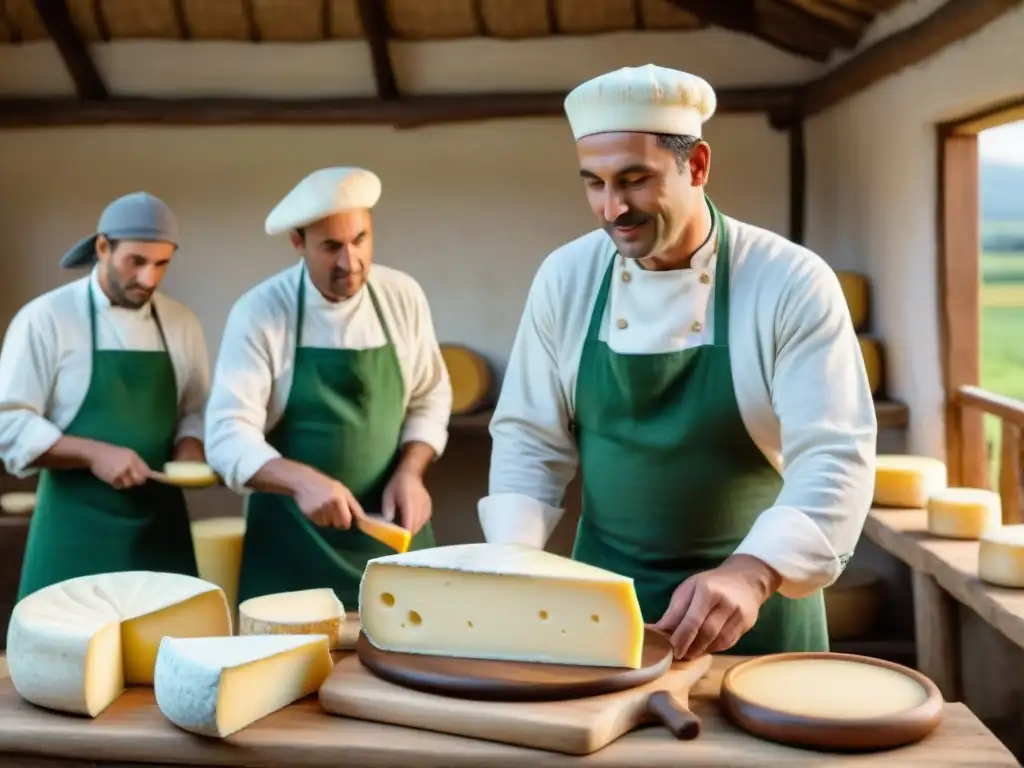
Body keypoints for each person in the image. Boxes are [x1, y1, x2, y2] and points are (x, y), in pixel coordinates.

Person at [479, 65, 877, 659]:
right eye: (594, 183)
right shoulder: (566, 277)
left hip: (750, 617)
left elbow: (834, 453)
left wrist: (754, 572)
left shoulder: (787, 281)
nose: (613, 209)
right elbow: (529, 439)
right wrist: (512, 561)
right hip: (603, 610)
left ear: (696, 166)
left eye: (635, 181)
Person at [205, 166, 452, 608]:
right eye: (331, 247)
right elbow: (225, 435)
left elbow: (429, 397)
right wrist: (299, 481)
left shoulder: (402, 295)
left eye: (360, 240)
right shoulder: (261, 311)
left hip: (393, 545)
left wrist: (411, 471)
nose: (350, 262)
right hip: (291, 554)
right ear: (297, 243)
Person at [0, 191, 212, 598]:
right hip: (74, 533)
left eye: (161, 264)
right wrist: (95, 453)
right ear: (102, 247)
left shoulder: (182, 323)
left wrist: (190, 449)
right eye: (136, 261)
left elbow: (195, 410)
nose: (149, 278)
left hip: (159, 531)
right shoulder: (45, 319)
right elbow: (10, 424)